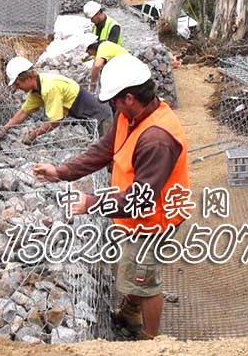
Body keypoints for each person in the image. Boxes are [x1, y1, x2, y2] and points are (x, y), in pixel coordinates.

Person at [32, 53, 191, 340]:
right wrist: (61, 171)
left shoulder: (157, 139)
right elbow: (104, 150)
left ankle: (151, 342)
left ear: (129, 97)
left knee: (146, 280)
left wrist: (92, 203)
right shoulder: (129, 116)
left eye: (113, 100)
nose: (110, 106)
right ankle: (130, 314)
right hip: (134, 217)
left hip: (153, 220)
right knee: (133, 269)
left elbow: (141, 199)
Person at [0, 56, 112, 144]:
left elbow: (56, 121)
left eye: (17, 84)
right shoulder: (38, 88)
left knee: (108, 153)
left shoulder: (49, 88)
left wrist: (34, 134)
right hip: (91, 119)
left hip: (101, 119)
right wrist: (3, 130)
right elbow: (23, 112)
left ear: (28, 78)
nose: (17, 88)